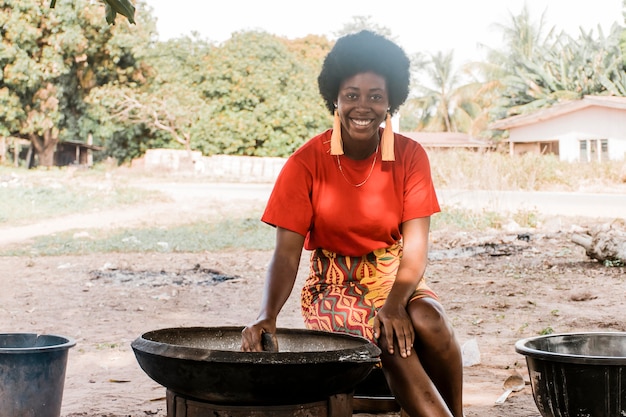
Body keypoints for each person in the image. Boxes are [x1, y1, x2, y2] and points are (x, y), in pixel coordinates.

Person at [241, 30, 464, 417]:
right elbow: (286, 254)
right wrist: (267, 315)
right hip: (334, 283)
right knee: (390, 338)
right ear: (336, 98)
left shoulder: (411, 156)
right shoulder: (305, 162)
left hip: (395, 274)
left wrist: (395, 304)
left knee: (429, 319)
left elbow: (414, 249)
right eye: (352, 95)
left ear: (390, 99)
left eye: (375, 96)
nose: (363, 107)